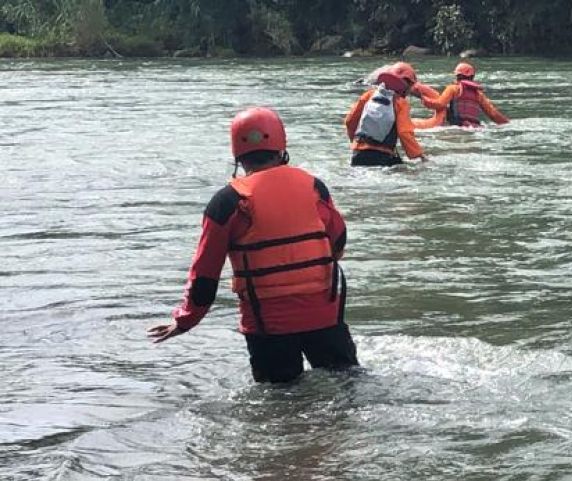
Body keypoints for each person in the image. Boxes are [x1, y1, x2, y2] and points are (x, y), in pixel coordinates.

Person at [148, 107, 358, 384]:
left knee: (280, 406)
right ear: (281, 146)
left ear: (237, 152)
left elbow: (205, 276)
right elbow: (338, 241)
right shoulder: (314, 187)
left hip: (268, 326)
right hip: (325, 317)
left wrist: (184, 321)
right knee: (347, 388)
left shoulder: (228, 202)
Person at [344, 62, 426, 167]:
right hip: (382, 156)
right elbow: (404, 133)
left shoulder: (369, 95)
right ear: (407, 85)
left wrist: (355, 142)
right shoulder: (400, 103)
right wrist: (419, 155)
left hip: (358, 154)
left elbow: (349, 121)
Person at [421, 62, 509, 127]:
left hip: (457, 127)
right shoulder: (478, 94)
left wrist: (424, 99)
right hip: (475, 127)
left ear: (457, 76)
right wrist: (508, 123)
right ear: (472, 77)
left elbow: (440, 104)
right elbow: (494, 115)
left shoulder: (453, 89)